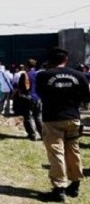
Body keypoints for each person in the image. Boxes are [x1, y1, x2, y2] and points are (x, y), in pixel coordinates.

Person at [36, 48, 90, 202]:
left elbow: (40, 94)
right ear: (65, 60)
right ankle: (75, 184)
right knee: (73, 150)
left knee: (56, 152)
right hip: (72, 117)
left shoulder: (43, 76)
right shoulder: (79, 75)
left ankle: (59, 188)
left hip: (52, 118)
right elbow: (87, 97)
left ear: (50, 60)